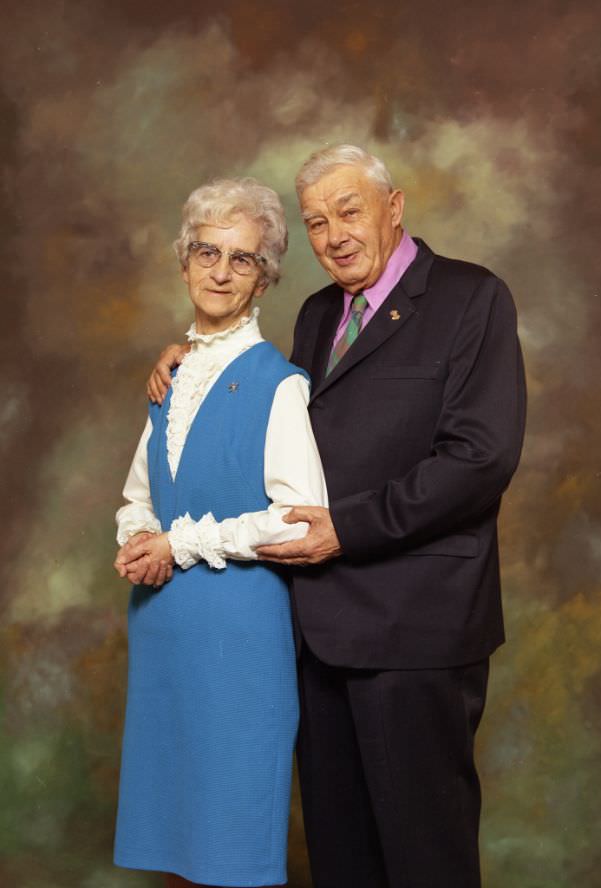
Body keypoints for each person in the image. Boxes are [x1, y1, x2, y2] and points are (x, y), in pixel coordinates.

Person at [147, 146, 527, 888]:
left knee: (423, 856)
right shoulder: (321, 313)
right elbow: (271, 428)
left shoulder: (470, 298)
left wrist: (350, 527)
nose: (334, 235)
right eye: (316, 222)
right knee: (341, 855)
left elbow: (480, 460)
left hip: (415, 630)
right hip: (315, 631)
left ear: (394, 206)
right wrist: (193, 358)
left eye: (349, 211)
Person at [112, 177, 327, 888]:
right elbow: (141, 493)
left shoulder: (281, 385)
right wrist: (140, 538)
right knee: (174, 840)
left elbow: (296, 517)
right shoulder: (168, 376)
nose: (220, 271)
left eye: (242, 259)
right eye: (207, 252)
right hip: (163, 624)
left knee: (232, 840)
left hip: (239, 637)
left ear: (264, 279)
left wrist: (176, 546)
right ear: (184, 262)